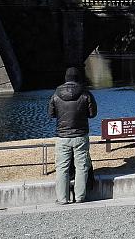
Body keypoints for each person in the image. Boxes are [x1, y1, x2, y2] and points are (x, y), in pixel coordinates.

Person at [48, 67, 97, 204]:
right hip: (80, 135)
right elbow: (93, 114)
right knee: (82, 166)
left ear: (66, 79)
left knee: (62, 167)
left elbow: (51, 114)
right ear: (78, 78)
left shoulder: (56, 94)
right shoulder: (85, 93)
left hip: (62, 136)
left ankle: (62, 198)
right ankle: (80, 196)